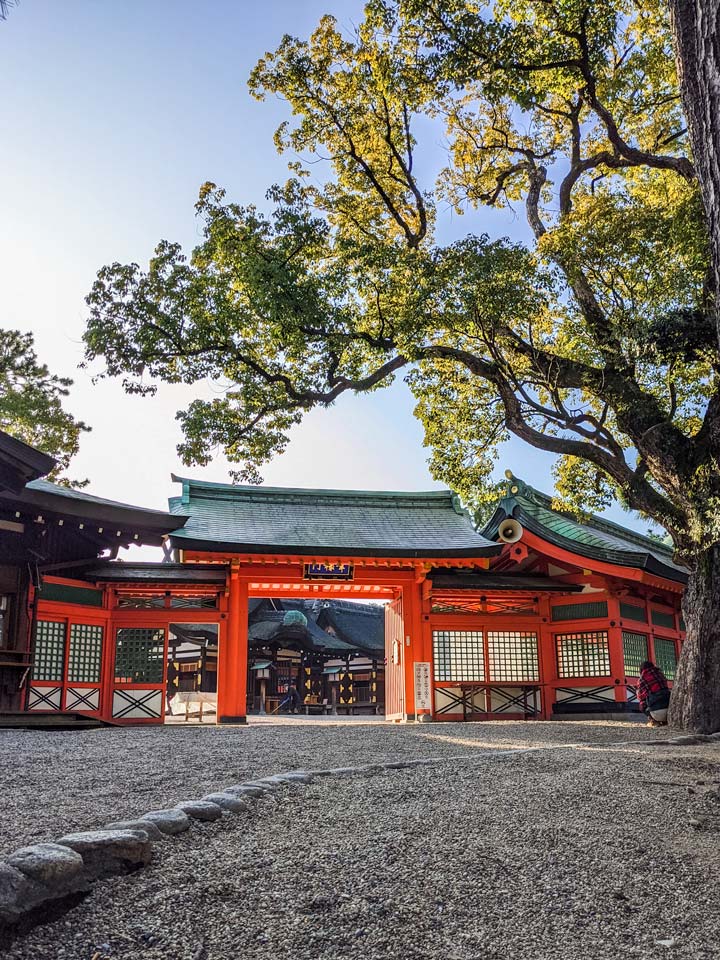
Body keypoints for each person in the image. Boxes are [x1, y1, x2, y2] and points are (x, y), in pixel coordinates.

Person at [636, 660, 671, 726]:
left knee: (642, 704)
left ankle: (654, 721)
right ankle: (665, 721)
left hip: (656, 713)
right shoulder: (661, 675)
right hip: (669, 711)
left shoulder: (642, 679)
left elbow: (640, 697)